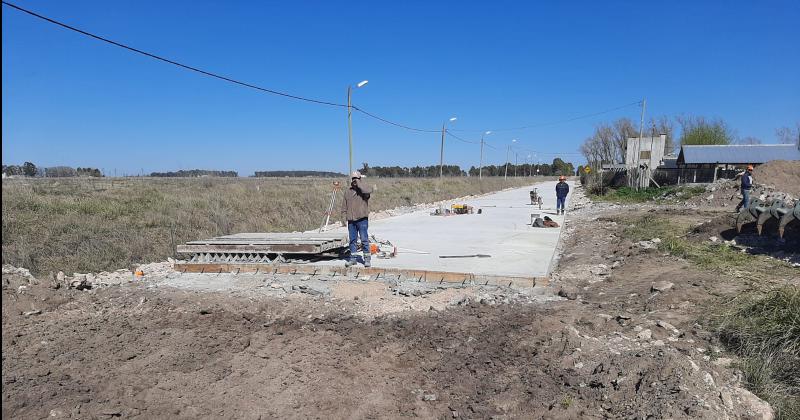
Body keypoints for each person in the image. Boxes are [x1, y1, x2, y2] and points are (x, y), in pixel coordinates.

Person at [341, 171, 373, 267]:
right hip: (351, 221)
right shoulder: (348, 192)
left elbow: (367, 191)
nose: (354, 180)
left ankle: (367, 259)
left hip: (362, 220)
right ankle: (353, 259)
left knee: (364, 239)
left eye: (356, 178)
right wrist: (343, 216)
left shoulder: (364, 190)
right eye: (353, 178)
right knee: (352, 240)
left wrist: (359, 183)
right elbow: (344, 205)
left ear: (360, 179)